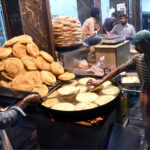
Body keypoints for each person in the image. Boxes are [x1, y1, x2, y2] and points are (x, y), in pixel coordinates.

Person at [87, 30, 150, 150]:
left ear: (147, 44)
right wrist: (100, 82)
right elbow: (118, 69)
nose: (136, 48)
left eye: (138, 45)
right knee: (148, 132)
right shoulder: (138, 59)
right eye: (135, 45)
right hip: (145, 105)